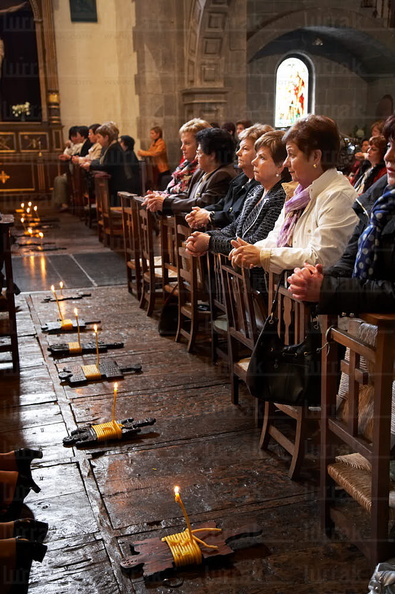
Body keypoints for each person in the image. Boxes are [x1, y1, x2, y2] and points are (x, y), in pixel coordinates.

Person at [288, 114, 395, 314]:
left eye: (292, 154)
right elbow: (350, 259)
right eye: (389, 146)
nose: (388, 156)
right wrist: (318, 278)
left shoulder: (338, 193)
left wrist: (327, 288)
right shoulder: (380, 198)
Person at [230, 115, 358, 275]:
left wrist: (263, 255)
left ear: (315, 157)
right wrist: (252, 250)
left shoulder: (337, 195)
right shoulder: (299, 193)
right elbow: (277, 237)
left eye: (292, 155)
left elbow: (322, 258)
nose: (285, 163)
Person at [186, 130, 288, 292]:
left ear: (280, 165)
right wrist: (206, 237)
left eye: (261, 158)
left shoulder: (281, 196)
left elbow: (254, 242)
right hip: (243, 276)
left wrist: (209, 242)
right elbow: (235, 227)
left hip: (263, 282)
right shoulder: (256, 191)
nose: (254, 162)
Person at [185, 123, 273, 230]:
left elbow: (237, 218)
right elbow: (223, 204)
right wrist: (200, 212)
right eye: (239, 148)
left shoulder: (261, 184)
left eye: (245, 149)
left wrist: (209, 216)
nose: (238, 153)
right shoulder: (241, 179)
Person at [145, 128, 237, 215]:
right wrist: (160, 198)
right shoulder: (200, 172)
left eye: (199, 153)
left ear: (212, 155)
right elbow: (188, 196)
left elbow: (204, 203)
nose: (196, 158)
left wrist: (166, 203)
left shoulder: (223, 174)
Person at [142, 118, 211, 208]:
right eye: (182, 143)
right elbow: (169, 191)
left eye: (187, 143)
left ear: (201, 145)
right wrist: (156, 196)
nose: (182, 148)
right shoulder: (184, 166)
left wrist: (162, 199)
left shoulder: (203, 168)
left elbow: (187, 198)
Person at [84, 121, 130, 206]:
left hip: (117, 185)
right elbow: (102, 161)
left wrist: (90, 165)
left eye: (99, 137)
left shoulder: (114, 148)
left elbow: (107, 165)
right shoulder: (110, 147)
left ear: (106, 137)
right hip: (113, 183)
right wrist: (91, 163)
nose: (97, 141)